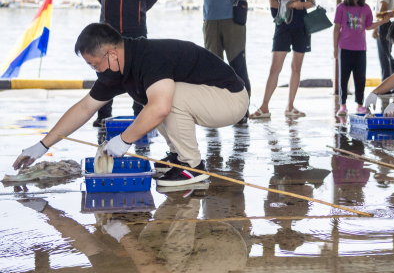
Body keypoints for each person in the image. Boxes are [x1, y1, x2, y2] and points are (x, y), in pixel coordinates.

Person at [12, 23, 249, 187]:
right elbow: (85, 108)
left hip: (230, 99)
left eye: (95, 65)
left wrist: (124, 140)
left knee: (163, 100)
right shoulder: (116, 69)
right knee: (158, 100)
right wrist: (42, 145)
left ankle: (193, 166)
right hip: (208, 98)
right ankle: (178, 157)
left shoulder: (150, 57)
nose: (96, 71)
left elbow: (161, 109)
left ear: (112, 54)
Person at [92, 0, 161, 127]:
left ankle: (140, 114)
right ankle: (103, 115)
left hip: (136, 27)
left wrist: (138, 10)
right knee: (105, 71)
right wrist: (110, 11)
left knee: (137, 71)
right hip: (107, 28)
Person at [249, 0, 316, 119]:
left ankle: (290, 106)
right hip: (282, 25)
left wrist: (294, 3)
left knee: (296, 67)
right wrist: (293, 3)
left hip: (302, 27)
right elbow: (272, 1)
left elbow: (312, 2)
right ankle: (264, 107)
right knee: (275, 68)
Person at [334, 0, 391, 116]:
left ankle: (360, 105)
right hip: (344, 48)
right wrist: (335, 48)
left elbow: (368, 26)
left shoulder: (365, 8)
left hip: (360, 49)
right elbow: (336, 28)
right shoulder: (341, 7)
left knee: (360, 77)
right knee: (344, 78)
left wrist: (382, 22)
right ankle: (342, 105)